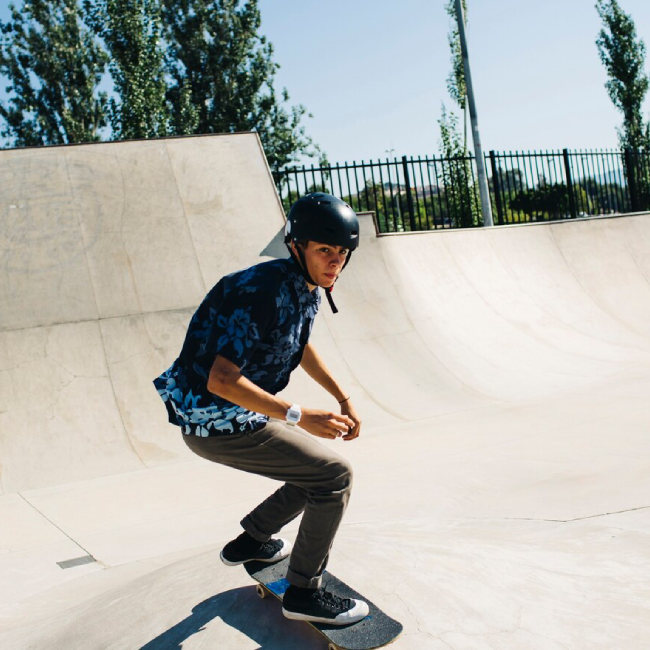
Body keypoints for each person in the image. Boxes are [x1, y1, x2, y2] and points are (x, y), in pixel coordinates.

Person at [153, 193, 369, 625]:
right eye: (324, 251)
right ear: (296, 245)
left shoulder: (305, 287)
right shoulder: (262, 289)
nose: (334, 263)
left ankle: (251, 541)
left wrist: (342, 396)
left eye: (342, 253)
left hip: (236, 415)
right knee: (334, 476)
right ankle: (304, 593)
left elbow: (298, 344)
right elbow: (222, 380)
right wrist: (300, 415)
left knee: (315, 471)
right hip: (217, 421)